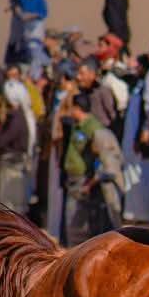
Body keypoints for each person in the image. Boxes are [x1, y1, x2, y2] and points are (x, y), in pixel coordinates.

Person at [61, 92, 124, 246]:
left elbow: (106, 162)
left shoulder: (95, 129)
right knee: (74, 223)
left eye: (71, 107)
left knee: (77, 224)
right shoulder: (77, 125)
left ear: (77, 108)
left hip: (84, 180)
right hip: (75, 179)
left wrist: (90, 182)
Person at [0, 93, 31, 215]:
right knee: (7, 202)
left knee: (10, 202)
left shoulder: (16, 119)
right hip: (9, 165)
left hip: (13, 165)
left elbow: (3, 141)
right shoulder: (13, 119)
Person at [12, 0, 49, 76]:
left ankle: (37, 74)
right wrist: (21, 14)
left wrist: (32, 15)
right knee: (27, 54)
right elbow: (18, 10)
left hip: (36, 29)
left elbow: (43, 13)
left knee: (35, 51)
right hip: (24, 29)